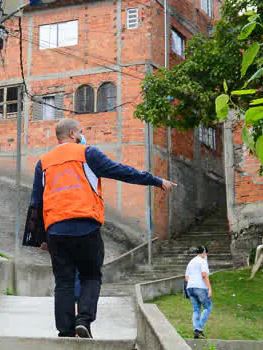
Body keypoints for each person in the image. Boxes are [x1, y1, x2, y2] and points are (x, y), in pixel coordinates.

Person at [30, 118, 176, 338]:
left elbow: (36, 202)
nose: (82, 135)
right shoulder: (87, 153)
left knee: (63, 281)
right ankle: (84, 320)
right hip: (85, 226)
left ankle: (65, 332)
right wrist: (155, 180)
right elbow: (122, 171)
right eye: (80, 131)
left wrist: (39, 238)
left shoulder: (43, 162)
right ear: (72, 133)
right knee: (90, 276)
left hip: (56, 230)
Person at [185, 246, 213, 339]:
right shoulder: (202, 261)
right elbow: (204, 275)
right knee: (208, 307)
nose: (207, 256)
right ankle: (198, 329)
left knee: (196, 310)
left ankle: (196, 329)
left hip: (190, 287)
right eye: (207, 253)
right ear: (204, 252)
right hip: (200, 287)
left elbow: (186, 278)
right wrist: (209, 288)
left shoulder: (191, 262)